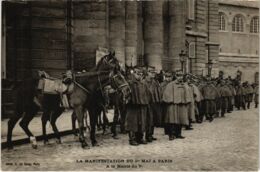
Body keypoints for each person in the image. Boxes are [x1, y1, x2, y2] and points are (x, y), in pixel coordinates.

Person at [125, 67, 150, 146]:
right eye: (138, 74)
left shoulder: (143, 84)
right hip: (132, 106)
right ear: (134, 74)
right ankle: (132, 139)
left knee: (141, 122)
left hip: (142, 105)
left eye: (141, 74)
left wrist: (146, 102)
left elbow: (147, 94)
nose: (140, 76)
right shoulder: (129, 83)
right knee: (132, 122)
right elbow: (125, 94)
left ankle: (140, 138)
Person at [163, 73, 192, 140]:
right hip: (173, 104)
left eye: (181, 75)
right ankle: (171, 134)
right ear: (176, 76)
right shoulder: (171, 85)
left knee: (180, 119)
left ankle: (178, 133)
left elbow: (188, 94)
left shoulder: (185, 85)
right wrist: (171, 100)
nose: (180, 77)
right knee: (172, 120)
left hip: (182, 104)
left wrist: (186, 101)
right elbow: (166, 94)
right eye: (178, 76)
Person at [145, 67, 162, 142]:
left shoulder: (155, 82)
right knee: (148, 120)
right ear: (147, 73)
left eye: (154, 72)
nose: (153, 74)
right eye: (151, 72)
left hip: (154, 103)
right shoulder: (144, 82)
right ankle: (147, 136)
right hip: (147, 103)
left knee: (153, 119)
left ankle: (150, 135)